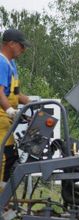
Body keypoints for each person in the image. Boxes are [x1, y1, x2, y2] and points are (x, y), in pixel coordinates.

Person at [0, 29, 30, 182]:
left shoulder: (11, 64)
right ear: (11, 44)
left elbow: (14, 95)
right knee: (3, 159)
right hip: (1, 122)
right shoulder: (0, 62)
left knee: (11, 159)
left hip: (7, 124)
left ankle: (5, 202)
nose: (23, 50)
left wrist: (31, 103)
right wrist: (10, 111)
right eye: (21, 46)